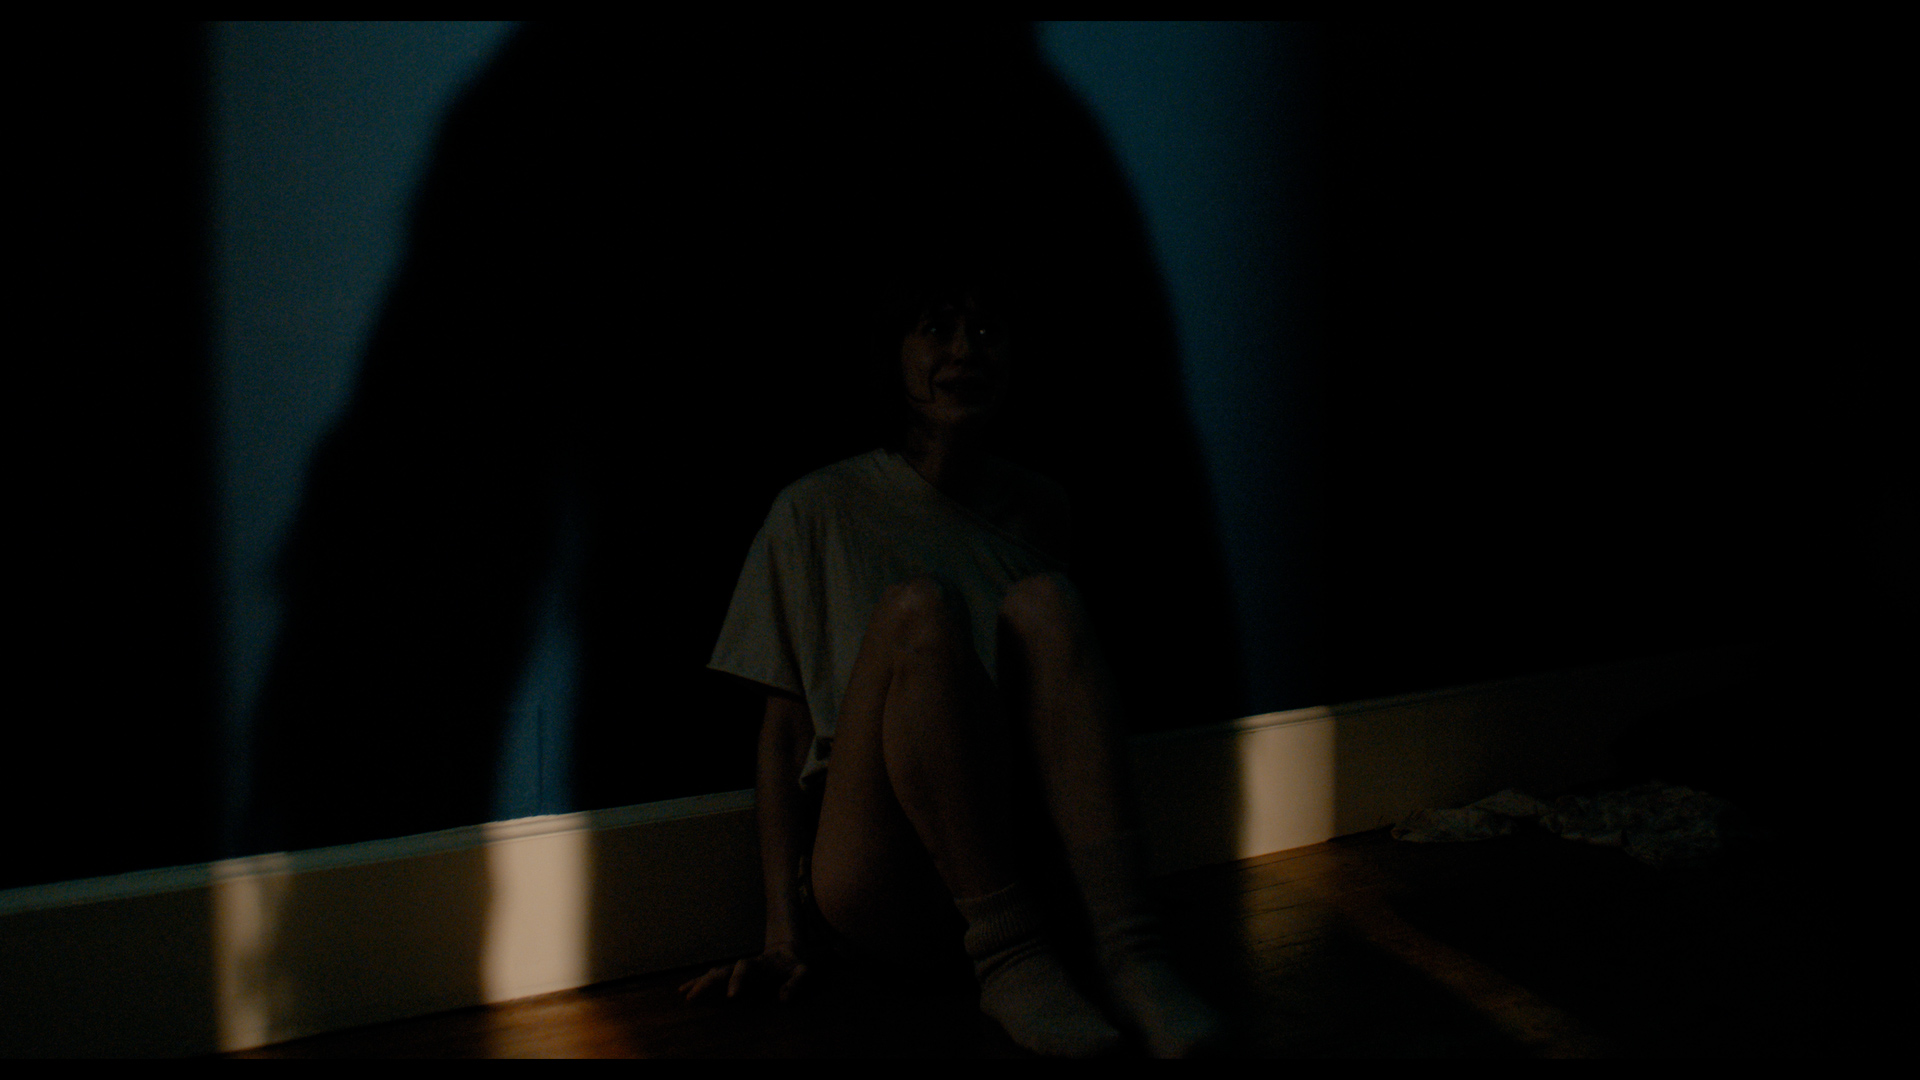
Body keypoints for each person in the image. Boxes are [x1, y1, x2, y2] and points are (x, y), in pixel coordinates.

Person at [682, 272, 1223, 1057]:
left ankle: (1129, 948)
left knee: (1049, 602)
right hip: (879, 871)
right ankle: (1009, 957)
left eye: (987, 331)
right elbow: (783, 733)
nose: (966, 351)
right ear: (895, 355)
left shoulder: (1043, 506)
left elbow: (1062, 714)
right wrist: (782, 934)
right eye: (937, 329)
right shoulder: (814, 509)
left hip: (1012, 842)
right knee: (919, 612)